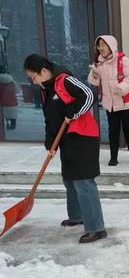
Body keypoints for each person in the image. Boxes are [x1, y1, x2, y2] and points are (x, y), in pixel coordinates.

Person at [24, 54, 107, 244]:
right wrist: (50, 144)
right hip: (66, 139)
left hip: (83, 137)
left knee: (83, 181)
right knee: (69, 179)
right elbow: (50, 120)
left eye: (33, 76)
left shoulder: (65, 80)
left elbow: (89, 94)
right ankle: (77, 216)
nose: (33, 81)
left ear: (43, 71)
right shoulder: (46, 90)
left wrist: (73, 112)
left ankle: (96, 228)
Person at [88, 35, 129, 166]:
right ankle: (113, 157)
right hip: (110, 105)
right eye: (99, 45)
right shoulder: (99, 63)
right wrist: (95, 74)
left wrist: (120, 88)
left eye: (103, 45)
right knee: (113, 131)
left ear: (111, 45)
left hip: (125, 103)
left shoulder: (124, 61)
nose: (101, 48)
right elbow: (94, 82)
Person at [0, 65, 18, 130]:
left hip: (2, 103)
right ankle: (12, 128)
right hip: (12, 102)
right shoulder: (12, 81)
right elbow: (17, 90)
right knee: (13, 117)